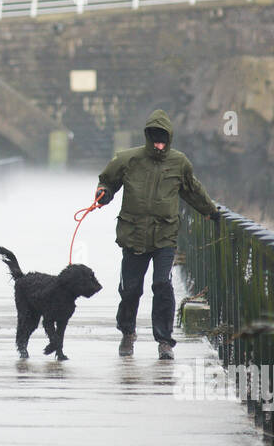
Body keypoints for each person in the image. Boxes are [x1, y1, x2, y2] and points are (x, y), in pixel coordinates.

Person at [94, 109, 220, 359]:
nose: (159, 142)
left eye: (163, 138)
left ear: (169, 138)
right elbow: (107, 181)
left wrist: (211, 212)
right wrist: (103, 194)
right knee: (131, 289)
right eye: (155, 137)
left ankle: (164, 342)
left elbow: (192, 190)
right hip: (133, 235)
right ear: (148, 137)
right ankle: (127, 333)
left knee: (162, 285)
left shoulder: (179, 162)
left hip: (165, 237)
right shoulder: (127, 159)